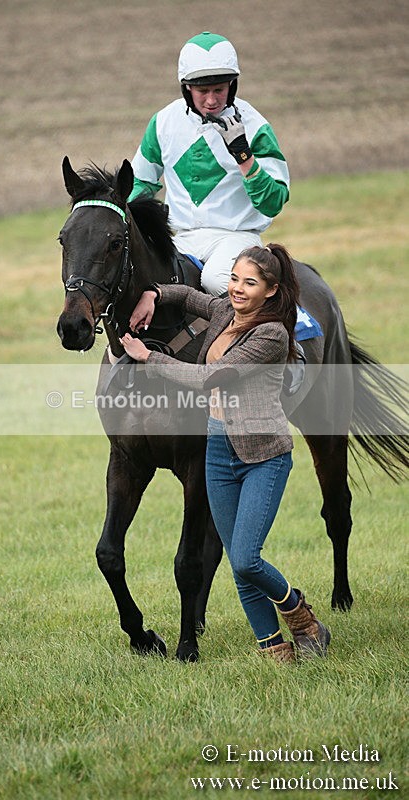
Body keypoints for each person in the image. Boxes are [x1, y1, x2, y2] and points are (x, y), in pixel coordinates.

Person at [120, 243, 330, 662]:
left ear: (270, 290)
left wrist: (147, 357)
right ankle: (273, 648)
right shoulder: (223, 313)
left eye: (249, 283)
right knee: (237, 562)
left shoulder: (270, 335)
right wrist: (154, 294)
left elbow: (209, 379)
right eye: (233, 279)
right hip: (219, 451)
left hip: (263, 456)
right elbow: (186, 295)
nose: (237, 289)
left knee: (248, 559)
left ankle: (301, 615)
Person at [129, 31, 290, 296]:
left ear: (232, 86)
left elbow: (273, 202)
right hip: (179, 238)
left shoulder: (256, 126)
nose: (212, 100)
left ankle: (266, 335)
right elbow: (140, 183)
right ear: (186, 88)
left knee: (217, 280)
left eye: (219, 89)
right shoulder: (163, 122)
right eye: (202, 91)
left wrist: (243, 155)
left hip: (236, 237)